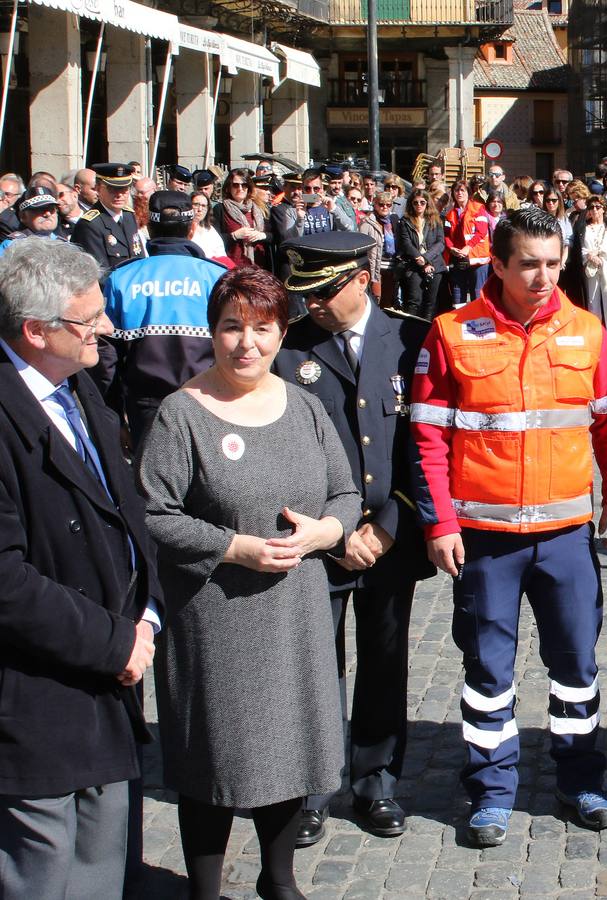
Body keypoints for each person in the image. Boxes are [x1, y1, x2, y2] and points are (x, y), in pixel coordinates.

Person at [410, 208, 607, 848]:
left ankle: (580, 778)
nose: (542, 277)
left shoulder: (588, 333)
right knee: (487, 673)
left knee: (576, 665)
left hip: (566, 534)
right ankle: (491, 790)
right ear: (497, 264)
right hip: (484, 539)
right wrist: (440, 522)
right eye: (528, 264)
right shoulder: (451, 334)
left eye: (552, 263)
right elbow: (427, 436)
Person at [138, 266, 360, 899]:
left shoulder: (306, 406)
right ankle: (205, 888)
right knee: (213, 754)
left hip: (296, 611)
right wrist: (232, 547)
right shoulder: (183, 415)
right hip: (215, 617)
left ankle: (278, 876)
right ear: (211, 331)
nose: (247, 343)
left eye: (262, 329)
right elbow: (154, 514)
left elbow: (345, 492)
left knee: (291, 744)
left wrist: (326, 533)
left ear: (281, 332)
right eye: (232, 327)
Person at [0, 239, 161, 900]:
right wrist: (115, 641)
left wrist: (146, 613)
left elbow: (126, 506)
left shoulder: (79, 384)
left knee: (103, 863)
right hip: (39, 696)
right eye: (88, 319)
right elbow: (7, 583)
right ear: (36, 331)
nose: (107, 329)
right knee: (45, 870)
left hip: (111, 678)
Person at [271, 234, 435, 849]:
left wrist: (389, 526)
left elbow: (423, 445)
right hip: (316, 537)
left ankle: (376, 780)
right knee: (316, 665)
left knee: (385, 662)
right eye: (304, 293)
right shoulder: (289, 348)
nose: (312, 304)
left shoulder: (414, 339)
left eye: (324, 292)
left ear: (361, 281)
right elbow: (283, 453)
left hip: (392, 532)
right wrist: (332, 533)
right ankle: (311, 789)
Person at [92, 191, 227, 446]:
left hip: (146, 408)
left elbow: (106, 356)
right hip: (210, 400)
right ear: (192, 229)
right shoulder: (217, 277)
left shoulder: (122, 277)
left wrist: (114, 418)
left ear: (149, 228)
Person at [566, 194, 607, 342]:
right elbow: (580, 247)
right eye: (591, 207)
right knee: (592, 300)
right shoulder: (583, 227)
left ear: (604, 209)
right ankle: (595, 331)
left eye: (598, 207)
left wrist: (601, 256)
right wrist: (589, 256)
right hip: (590, 267)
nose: (594, 210)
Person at [72, 163, 144, 271]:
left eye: (124, 188)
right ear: (98, 189)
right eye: (112, 189)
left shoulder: (129, 216)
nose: (119, 194)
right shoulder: (90, 225)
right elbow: (99, 272)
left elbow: (139, 257)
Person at [396, 189, 446, 320]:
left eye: (422, 202)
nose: (419, 205)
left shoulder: (436, 219)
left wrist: (426, 259)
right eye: (415, 202)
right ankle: (411, 332)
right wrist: (420, 260)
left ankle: (427, 334)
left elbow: (440, 243)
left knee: (431, 303)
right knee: (414, 302)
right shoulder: (405, 221)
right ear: (411, 204)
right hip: (414, 265)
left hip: (434, 264)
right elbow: (406, 244)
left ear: (427, 203)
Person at [443, 180, 485, 307]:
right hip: (457, 259)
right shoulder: (450, 214)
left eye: (462, 190)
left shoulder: (478, 208)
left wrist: (468, 247)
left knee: (477, 297)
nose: (459, 193)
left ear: (468, 193)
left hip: (476, 259)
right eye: (456, 190)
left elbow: (481, 232)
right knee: (457, 297)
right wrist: (451, 248)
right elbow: (446, 235)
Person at [220, 171, 271, 270]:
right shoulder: (220, 209)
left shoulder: (259, 208)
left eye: (244, 185)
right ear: (228, 187)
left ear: (249, 188)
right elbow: (215, 239)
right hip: (232, 268)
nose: (240, 189)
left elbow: (273, 235)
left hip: (259, 267)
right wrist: (234, 235)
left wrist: (262, 235)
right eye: (235, 185)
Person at [0, 186, 67, 255]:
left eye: (51, 209)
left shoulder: (64, 244)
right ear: (23, 216)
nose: (47, 214)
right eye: (40, 209)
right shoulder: (12, 246)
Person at [360, 191, 399, 308]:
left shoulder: (394, 221)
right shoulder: (367, 222)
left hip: (392, 268)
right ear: (375, 204)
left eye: (388, 204)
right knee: (376, 300)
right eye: (381, 204)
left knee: (388, 303)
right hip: (376, 268)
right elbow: (362, 247)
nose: (385, 207)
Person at [189, 192, 227, 261]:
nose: (200, 209)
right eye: (196, 205)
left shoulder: (210, 230)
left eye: (203, 206)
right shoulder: (183, 229)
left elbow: (222, 256)